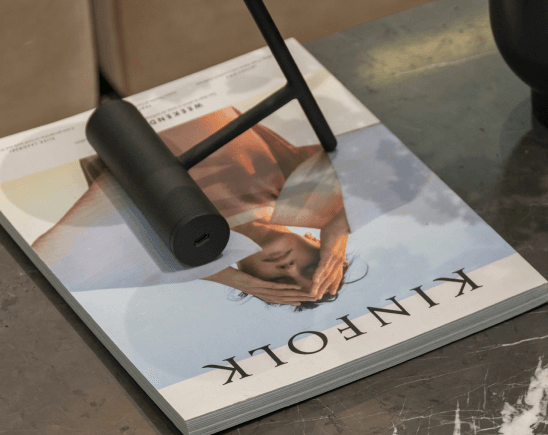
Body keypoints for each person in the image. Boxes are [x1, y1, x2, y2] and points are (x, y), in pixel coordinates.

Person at [31, 107, 351, 306]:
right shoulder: (295, 187)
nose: (288, 268)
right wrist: (338, 232)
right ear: (314, 241)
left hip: (88, 115)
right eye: (311, 268)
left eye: (280, 283)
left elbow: (50, 262)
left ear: (254, 278)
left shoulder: (170, 232)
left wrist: (230, 278)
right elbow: (356, 163)